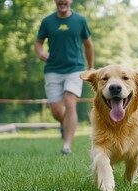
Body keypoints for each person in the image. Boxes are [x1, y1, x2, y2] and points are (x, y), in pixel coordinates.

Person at [35, 0, 94, 154]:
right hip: (53, 69)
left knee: (69, 102)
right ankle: (65, 124)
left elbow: (88, 44)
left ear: (70, 1)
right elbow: (38, 42)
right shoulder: (47, 21)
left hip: (75, 68)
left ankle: (67, 145)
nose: (62, 1)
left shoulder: (80, 20)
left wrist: (91, 67)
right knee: (56, 110)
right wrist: (40, 52)